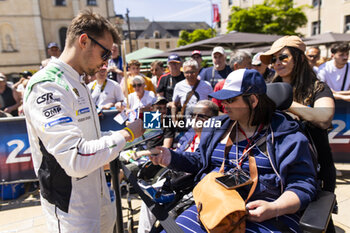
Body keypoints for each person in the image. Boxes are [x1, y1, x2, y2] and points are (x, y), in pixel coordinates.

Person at [150, 69, 317, 233]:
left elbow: (302, 185)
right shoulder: (219, 127)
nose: (224, 104)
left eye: (230, 100)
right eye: (223, 99)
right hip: (215, 204)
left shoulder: (287, 137)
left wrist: (274, 208)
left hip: (265, 212)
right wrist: (171, 156)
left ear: (252, 100)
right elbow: (200, 160)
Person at [23, 10, 144, 233]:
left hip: (97, 197)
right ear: (84, 41)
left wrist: (116, 141)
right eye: (105, 53)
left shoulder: (78, 82)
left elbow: (88, 141)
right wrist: (128, 134)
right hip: (70, 209)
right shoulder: (48, 85)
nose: (107, 62)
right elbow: (75, 158)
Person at [260, 36, 336, 232]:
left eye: (282, 57)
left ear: (299, 58)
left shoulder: (318, 88)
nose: (277, 63)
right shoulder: (267, 87)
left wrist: (287, 102)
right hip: (276, 167)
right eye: (273, 60)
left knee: (316, 224)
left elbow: (325, 117)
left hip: (315, 169)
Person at [138, 100, 219, 233]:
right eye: (193, 115)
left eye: (201, 116)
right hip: (174, 178)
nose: (195, 119)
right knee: (147, 200)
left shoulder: (215, 141)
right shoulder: (189, 134)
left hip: (191, 186)